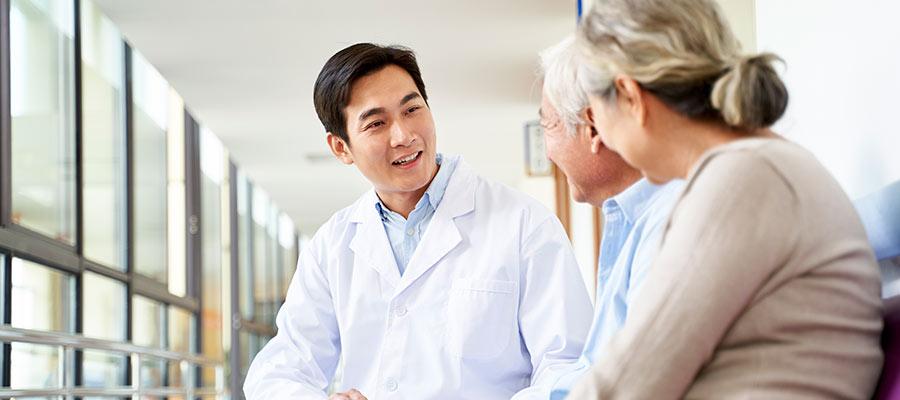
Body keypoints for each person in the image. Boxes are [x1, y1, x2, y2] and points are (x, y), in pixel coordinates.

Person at [567, 0, 884, 398]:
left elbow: (625, 384)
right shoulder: (753, 168)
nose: (602, 139)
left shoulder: (743, 178)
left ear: (629, 95)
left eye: (594, 114)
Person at [243, 43, 592, 400]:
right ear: (340, 148)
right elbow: (279, 371)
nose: (404, 135)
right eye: (377, 123)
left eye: (412, 109)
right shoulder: (332, 245)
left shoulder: (524, 224)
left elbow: (568, 368)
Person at [535, 36, 683, 399]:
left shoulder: (673, 220)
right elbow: (593, 372)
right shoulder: (631, 220)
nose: (548, 152)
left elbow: (634, 386)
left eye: (547, 127)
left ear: (593, 127)